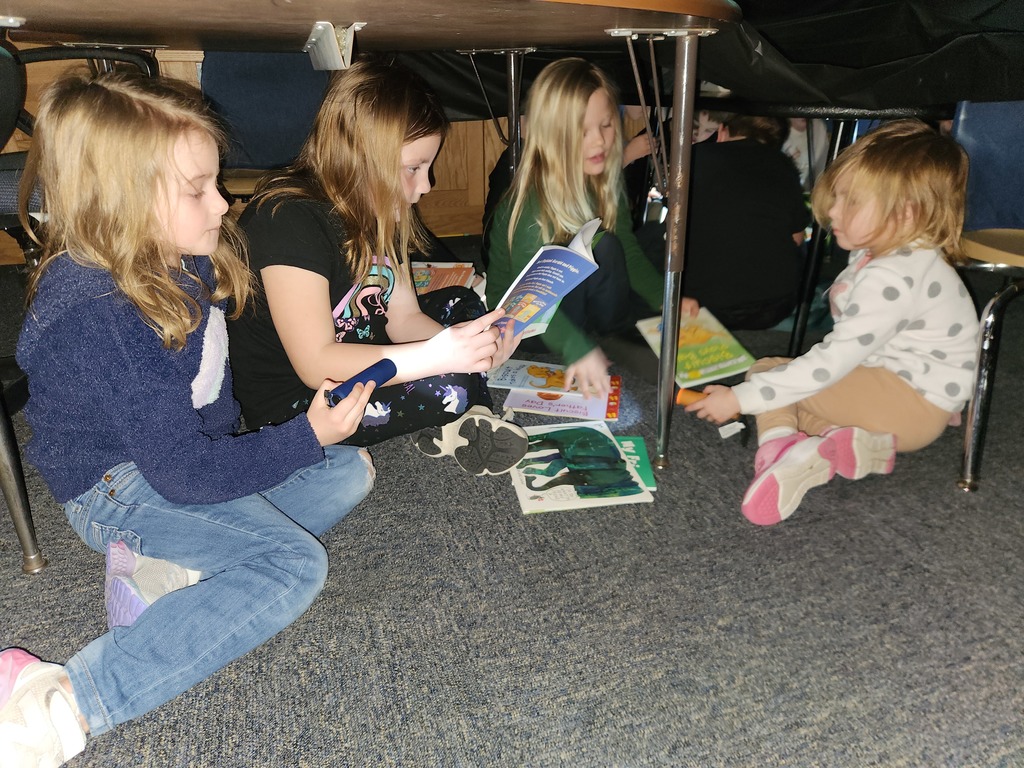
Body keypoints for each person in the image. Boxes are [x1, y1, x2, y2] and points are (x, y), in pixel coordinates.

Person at [0, 71, 378, 768]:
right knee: (293, 564)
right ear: (125, 201)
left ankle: (169, 565)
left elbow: (209, 405)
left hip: (175, 462)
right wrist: (302, 435)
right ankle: (65, 700)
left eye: (217, 180)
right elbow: (180, 472)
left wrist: (301, 444)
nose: (223, 200)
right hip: (115, 486)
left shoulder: (178, 257)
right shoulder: (102, 313)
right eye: (198, 188)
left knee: (347, 471)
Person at [228, 56, 528, 476]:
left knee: (462, 305)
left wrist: (470, 350)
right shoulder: (287, 219)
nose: (425, 186)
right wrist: (440, 360)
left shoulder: (381, 208)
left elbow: (404, 316)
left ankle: (460, 414)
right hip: (304, 403)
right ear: (361, 157)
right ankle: (465, 413)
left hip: (365, 353)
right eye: (413, 168)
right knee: (453, 387)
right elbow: (315, 364)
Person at [686, 120, 979, 525]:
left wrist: (740, 400)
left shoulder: (890, 276)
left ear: (907, 213)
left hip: (907, 405)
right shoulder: (906, 254)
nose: (832, 211)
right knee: (787, 388)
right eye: (837, 197)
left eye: (851, 202)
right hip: (918, 399)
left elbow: (830, 364)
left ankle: (779, 450)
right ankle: (846, 445)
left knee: (768, 372)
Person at [485, 57, 698, 398]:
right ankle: (597, 342)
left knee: (610, 244)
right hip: (527, 324)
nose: (599, 142)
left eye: (606, 125)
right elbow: (528, 300)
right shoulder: (530, 206)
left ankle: (610, 336)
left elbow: (625, 247)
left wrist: (664, 298)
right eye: (582, 132)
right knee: (602, 251)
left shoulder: (603, 181)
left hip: (579, 302)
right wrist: (575, 347)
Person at [634, 112, 810, 331]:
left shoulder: (694, 157)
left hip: (695, 303)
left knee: (652, 235)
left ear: (722, 132)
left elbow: (674, 224)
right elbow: (796, 238)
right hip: (772, 306)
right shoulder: (784, 166)